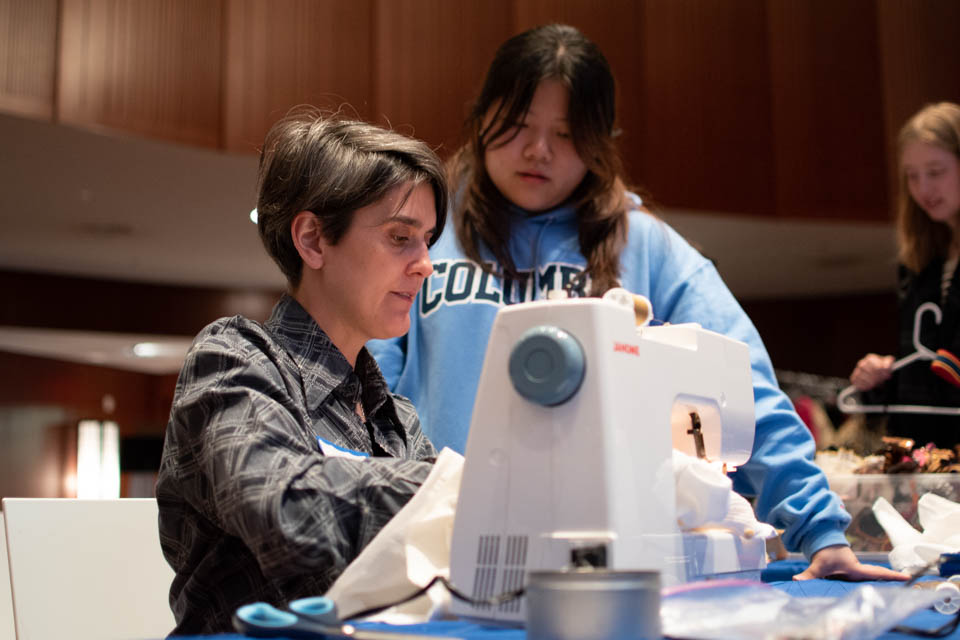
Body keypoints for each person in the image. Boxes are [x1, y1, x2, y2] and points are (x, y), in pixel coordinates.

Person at [368, 24, 906, 582]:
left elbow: (747, 386)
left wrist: (818, 530)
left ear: (601, 141)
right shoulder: (428, 232)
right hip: (435, 548)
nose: (538, 150)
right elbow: (367, 380)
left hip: (605, 562)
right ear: (482, 118)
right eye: (519, 125)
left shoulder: (644, 245)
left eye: (568, 133)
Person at [156, 110, 448, 634]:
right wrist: (460, 489)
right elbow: (283, 509)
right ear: (313, 239)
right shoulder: (234, 359)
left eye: (427, 240)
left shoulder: (395, 418)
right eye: (401, 237)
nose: (425, 263)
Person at [849, 102, 960, 449]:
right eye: (912, 176)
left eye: (935, 171)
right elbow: (920, 364)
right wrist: (881, 376)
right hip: (922, 463)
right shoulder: (918, 265)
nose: (923, 188)